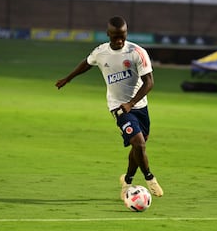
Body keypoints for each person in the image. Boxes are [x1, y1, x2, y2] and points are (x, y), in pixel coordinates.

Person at [55, 16, 163, 200]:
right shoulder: (101, 52)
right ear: (108, 35)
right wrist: (68, 78)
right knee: (138, 143)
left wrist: (132, 103)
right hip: (118, 106)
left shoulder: (137, 52)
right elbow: (87, 63)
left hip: (139, 106)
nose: (119, 40)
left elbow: (149, 83)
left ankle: (127, 181)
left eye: (122, 36)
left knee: (139, 147)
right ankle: (150, 178)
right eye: (115, 37)